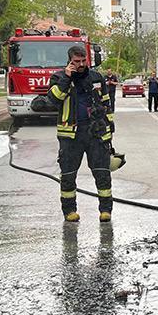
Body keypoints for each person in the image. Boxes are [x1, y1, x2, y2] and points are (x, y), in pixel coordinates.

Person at [46, 46, 115, 222]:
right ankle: (69, 211)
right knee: (68, 175)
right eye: (77, 62)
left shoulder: (96, 77)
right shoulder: (59, 78)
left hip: (95, 133)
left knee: (102, 173)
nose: (81, 64)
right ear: (69, 61)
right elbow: (55, 100)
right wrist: (67, 79)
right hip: (71, 135)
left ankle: (105, 211)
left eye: (84, 60)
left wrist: (109, 129)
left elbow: (106, 103)